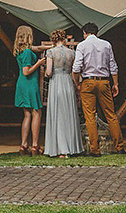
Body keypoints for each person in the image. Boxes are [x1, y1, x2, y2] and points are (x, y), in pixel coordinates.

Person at [72, 22, 126, 156]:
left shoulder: (82, 45)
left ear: (85, 33)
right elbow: (113, 66)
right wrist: (116, 84)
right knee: (111, 115)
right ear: (97, 32)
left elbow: (76, 68)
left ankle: (95, 150)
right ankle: (119, 147)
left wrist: (77, 83)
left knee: (89, 116)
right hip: (104, 82)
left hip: (88, 81)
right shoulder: (106, 44)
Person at [43, 29, 84, 158]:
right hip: (68, 83)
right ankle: (71, 147)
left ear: (53, 40)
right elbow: (76, 71)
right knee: (68, 114)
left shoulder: (50, 52)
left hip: (56, 82)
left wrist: (45, 73)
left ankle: (60, 149)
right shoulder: (72, 53)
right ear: (64, 39)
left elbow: (49, 72)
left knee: (58, 114)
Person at [13, 25, 45, 155]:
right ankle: (35, 145)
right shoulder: (27, 52)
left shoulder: (21, 50)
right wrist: (38, 63)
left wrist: (52, 45)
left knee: (26, 115)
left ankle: (24, 145)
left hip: (22, 84)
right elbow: (26, 71)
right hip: (30, 84)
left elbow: (38, 48)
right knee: (36, 113)